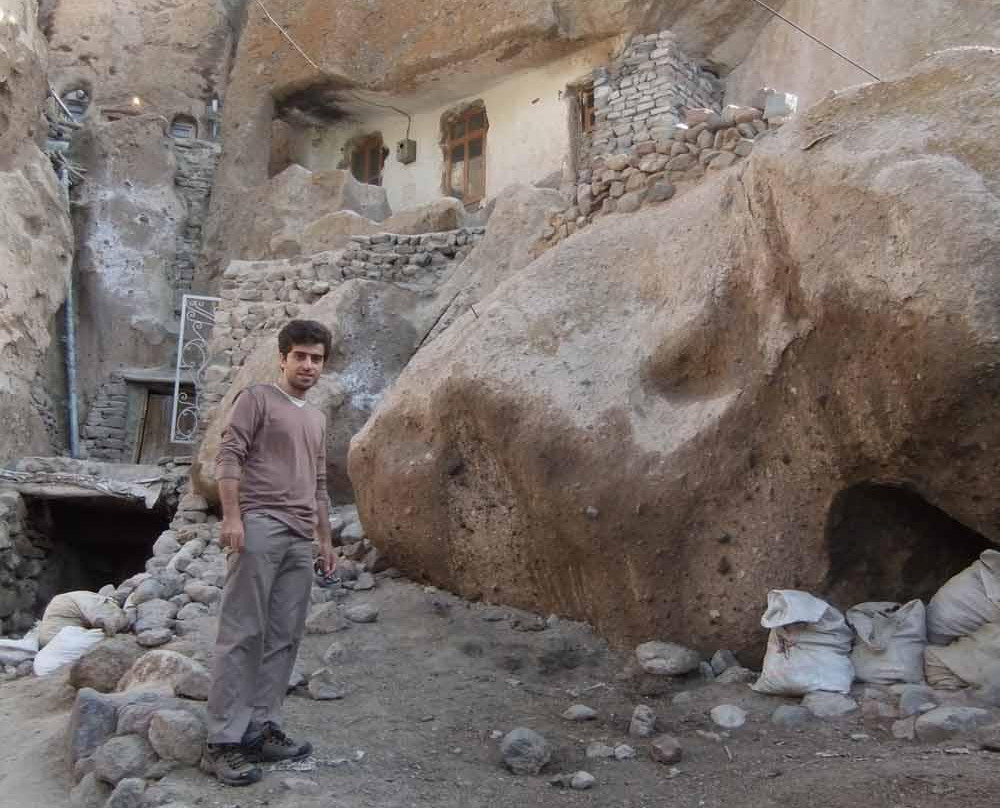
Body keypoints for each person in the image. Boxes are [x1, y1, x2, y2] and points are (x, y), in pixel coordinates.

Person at [203, 319, 337, 786]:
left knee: (284, 635)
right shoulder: (257, 399)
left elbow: (320, 483)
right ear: (282, 358)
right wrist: (232, 517)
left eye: (316, 358)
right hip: (259, 523)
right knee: (242, 631)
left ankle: (259, 728)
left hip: (301, 537)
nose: (307, 365)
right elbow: (229, 456)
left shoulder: (317, 418)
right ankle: (222, 741)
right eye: (299, 355)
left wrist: (324, 538)